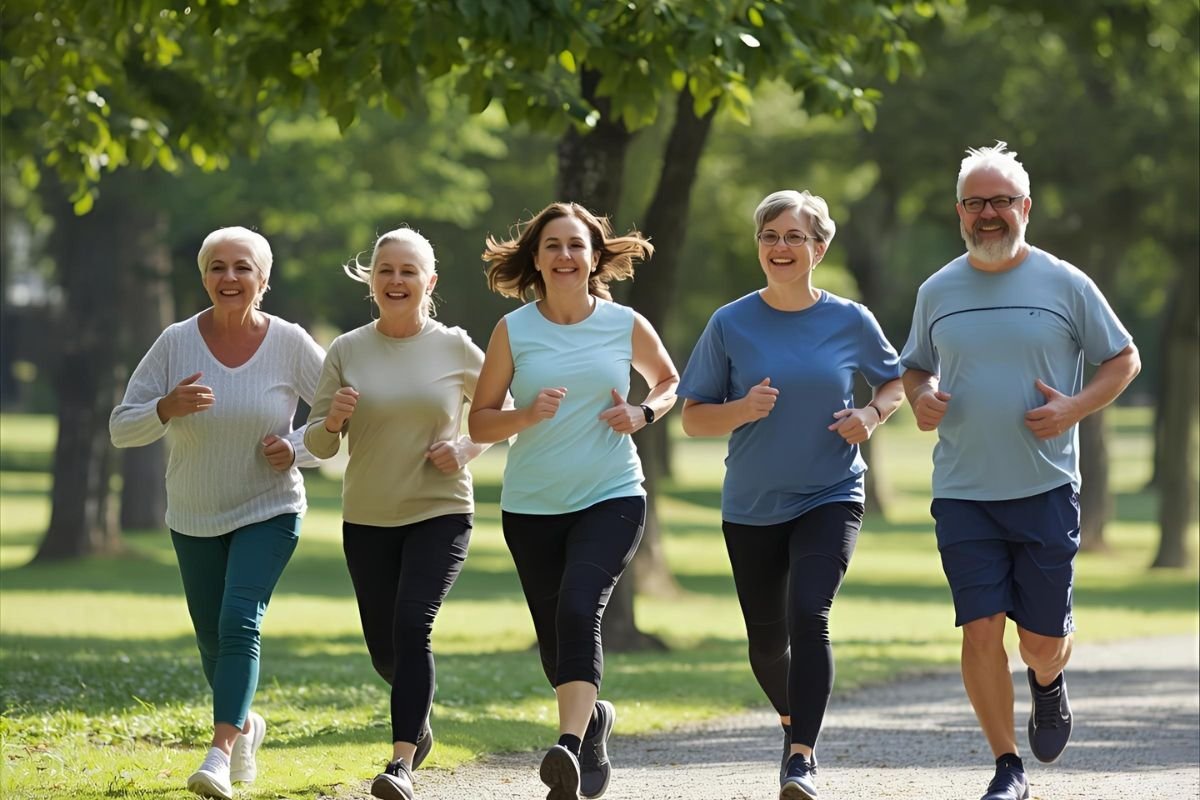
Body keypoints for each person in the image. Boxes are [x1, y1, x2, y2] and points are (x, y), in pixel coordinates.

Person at [900, 142, 1140, 800]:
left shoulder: (1066, 283)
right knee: (980, 628)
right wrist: (921, 396)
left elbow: (1123, 358)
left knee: (1039, 642)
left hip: (1045, 488)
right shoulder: (937, 290)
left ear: (1025, 207)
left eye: (1001, 201)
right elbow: (914, 366)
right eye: (975, 202)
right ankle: (1008, 767)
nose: (988, 214)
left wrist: (1075, 408)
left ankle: (1048, 680)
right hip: (963, 491)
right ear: (959, 211)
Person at [677, 189, 905, 800]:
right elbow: (693, 418)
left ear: (818, 248)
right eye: (770, 236)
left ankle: (801, 757)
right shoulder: (730, 322)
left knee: (810, 614)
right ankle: (792, 719)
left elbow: (894, 384)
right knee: (765, 642)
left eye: (794, 237)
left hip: (831, 492)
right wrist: (741, 409)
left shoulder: (851, 319)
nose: (780, 247)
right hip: (752, 504)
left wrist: (871, 415)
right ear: (760, 246)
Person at [467, 202, 679, 800]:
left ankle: (564, 746)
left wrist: (642, 412)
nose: (565, 255)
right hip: (531, 506)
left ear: (594, 257)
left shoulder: (623, 323)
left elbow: (669, 381)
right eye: (553, 246)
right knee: (555, 638)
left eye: (576, 245)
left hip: (611, 494)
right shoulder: (514, 330)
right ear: (536, 259)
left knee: (579, 607)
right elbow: (480, 422)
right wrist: (525, 415)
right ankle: (591, 726)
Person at [110, 226, 325, 800]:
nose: (230, 277)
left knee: (239, 621)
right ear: (204, 277)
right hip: (194, 513)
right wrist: (165, 406)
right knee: (213, 639)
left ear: (264, 279)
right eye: (218, 267)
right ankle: (246, 724)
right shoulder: (175, 342)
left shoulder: (290, 342)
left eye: (242, 267)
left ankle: (219, 753)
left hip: (270, 507)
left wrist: (296, 448)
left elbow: (342, 418)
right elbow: (121, 427)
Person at [304, 228, 493, 800]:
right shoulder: (347, 350)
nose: (395, 280)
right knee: (385, 649)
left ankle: (401, 763)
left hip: (440, 510)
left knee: (413, 626)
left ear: (429, 282)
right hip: (367, 518)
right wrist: (334, 419)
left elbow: (501, 411)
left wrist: (465, 448)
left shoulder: (455, 347)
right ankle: (419, 715)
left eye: (408, 271)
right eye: (385, 270)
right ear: (371, 281)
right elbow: (318, 445)